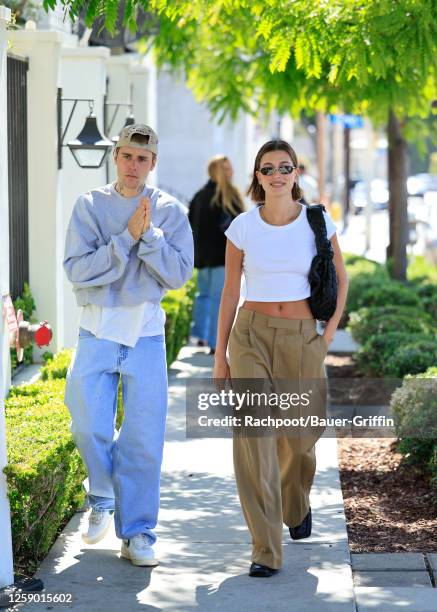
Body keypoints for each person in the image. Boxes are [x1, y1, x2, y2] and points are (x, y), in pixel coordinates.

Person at [213, 139, 348, 577]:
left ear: (296, 173)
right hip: (250, 337)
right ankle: (265, 548)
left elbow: (341, 282)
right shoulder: (242, 228)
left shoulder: (317, 220)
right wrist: (221, 358)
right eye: (267, 168)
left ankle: (296, 504)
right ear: (257, 176)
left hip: (302, 339)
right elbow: (230, 294)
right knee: (256, 440)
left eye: (284, 167)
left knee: (300, 440)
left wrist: (324, 338)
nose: (276, 175)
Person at [63, 124, 194, 567]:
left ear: (152, 163)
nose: (133, 165)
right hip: (96, 329)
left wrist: (150, 236)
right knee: (87, 423)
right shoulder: (90, 206)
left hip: (145, 333)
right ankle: (102, 493)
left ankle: (137, 533)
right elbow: (78, 271)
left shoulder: (170, 211)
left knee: (143, 439)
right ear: (115, 157)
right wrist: (126, 241)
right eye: (126, 155)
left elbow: (177, 275)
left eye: (142, 158)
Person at [188, 155, 245, 355]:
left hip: (202, 258)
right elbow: (239, 227)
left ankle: (200, 336)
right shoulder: (227, 196)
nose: (231, 172)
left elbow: (190, 226)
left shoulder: (198, 196)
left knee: (203, 296)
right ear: (218, 171)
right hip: (223, 256)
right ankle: (215, 342)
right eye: (227, 169)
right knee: (218, 299)